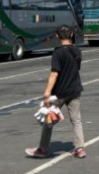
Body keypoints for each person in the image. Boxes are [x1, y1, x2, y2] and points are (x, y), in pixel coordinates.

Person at [26, 25, 87, 159]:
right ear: (71, 35)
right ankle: (80, 149)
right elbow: (76, 69)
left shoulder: (58, 53)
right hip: (75, 90)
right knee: (76, 120)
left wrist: (47, 93)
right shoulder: (77, 51)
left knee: (48, 120)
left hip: (59, 93)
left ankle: (42, 149)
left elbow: (54, 74)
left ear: (58, 37)